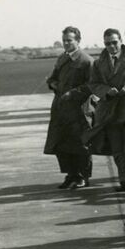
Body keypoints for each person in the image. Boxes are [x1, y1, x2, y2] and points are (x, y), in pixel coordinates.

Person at [88, 28, 125, 192]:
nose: (111, 46)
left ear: (121, 41)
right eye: (107, 44)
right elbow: (93, 83)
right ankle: (124, 177)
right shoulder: (98, 63)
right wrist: (106, 91)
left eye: (114, 42)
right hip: (110, 108)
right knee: (117, 145)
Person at [44, 26, 93, 189]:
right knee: (61, 143)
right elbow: (53, 78)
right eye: (64, 40)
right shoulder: (62, 58)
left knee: (80, 144)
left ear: (78, 41)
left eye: (69, 40)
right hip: (61, 108)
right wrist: (53, 83)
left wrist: (72, 93)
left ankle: (83, 176)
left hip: (79, 110)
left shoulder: (86, 61)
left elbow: (92, 85)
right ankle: (71, 175)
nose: (66, 43)